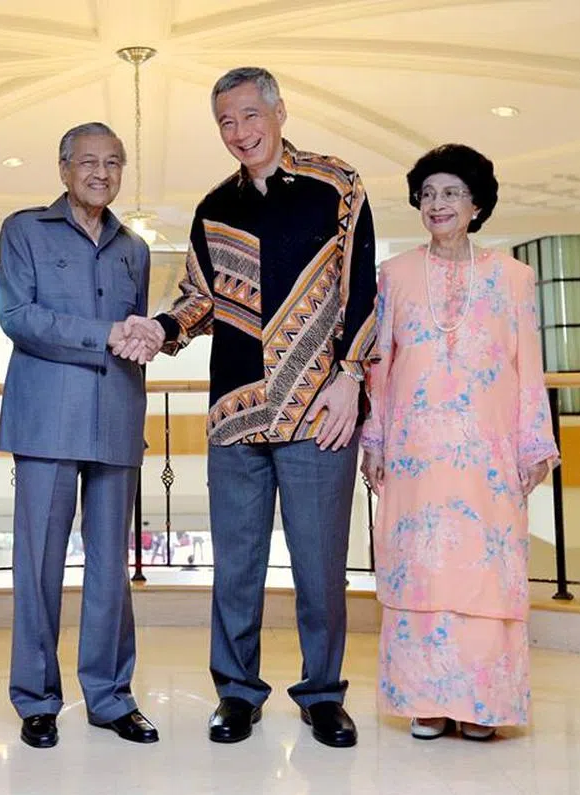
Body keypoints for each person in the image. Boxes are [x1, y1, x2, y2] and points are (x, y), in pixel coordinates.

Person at [122, 67, 377, 748]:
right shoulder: (213, 208)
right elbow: (199, 299)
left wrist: (350, 376)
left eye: (248, 116)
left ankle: (323, 695)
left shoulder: (338, 187)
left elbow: (362, 292)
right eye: (225, 122)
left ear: (279, 111)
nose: (238, 132)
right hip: (237, 413)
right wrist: (162, 328)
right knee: (234, 566)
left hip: (319, 410)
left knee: (320, 566)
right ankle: (237, 694)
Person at [359, 144, 558, 741]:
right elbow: (379, 364)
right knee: (422, 568)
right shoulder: (392, 275)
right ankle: (427, 700)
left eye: (450, 193)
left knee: (484, 572)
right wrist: (375, 435)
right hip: (416, 453)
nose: (436, 204)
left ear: (476, 204)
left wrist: (533, 444)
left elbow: (530, 365)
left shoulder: (515, 277)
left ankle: (481, 703)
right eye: (427, 195)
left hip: (488, 455)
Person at [0, 122, 159, 748]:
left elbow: (135, 330)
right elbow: (19, 317)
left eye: (113, 162)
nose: (101, 173)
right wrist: (105, 334)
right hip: (47, 421)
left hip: (116, 419)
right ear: (63, 169)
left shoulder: (134, 249)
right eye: (88, 162)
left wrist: (140, 336)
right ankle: (36, 699)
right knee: (39, 565)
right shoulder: (23, 230)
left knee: (112, 569)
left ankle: (111, 697)